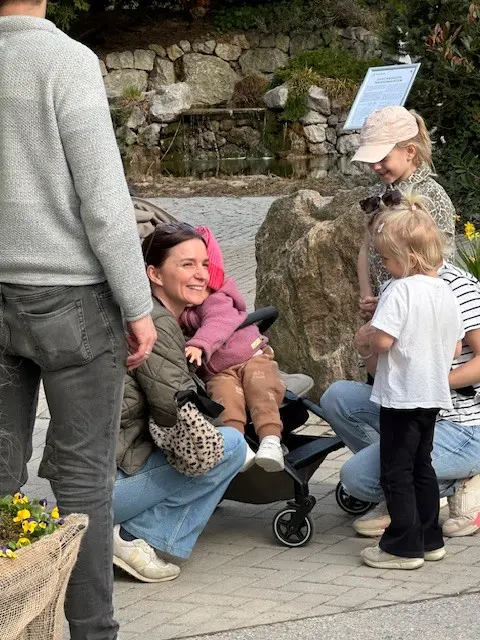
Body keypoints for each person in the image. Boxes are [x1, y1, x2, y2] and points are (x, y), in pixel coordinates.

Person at [0, 2, 157, 639]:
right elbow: (105, 201)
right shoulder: (66, 61)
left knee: (0, 475)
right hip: (74, 300)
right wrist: (139, 305)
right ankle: (92, 632)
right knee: (84, 481)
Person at [113, 224, 247, 582]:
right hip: (104, 492)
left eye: (204, 264)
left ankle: (135, 534)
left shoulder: (146, 316)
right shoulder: (154, 325)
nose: (202, 274)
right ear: (154, 274)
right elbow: (178, 415)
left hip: (91, 476)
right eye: (187, 265)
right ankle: (133, 538)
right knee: (231, 446)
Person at [321, 257, 480, 542]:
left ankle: (453, 482)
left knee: (358, 478)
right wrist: (365, 347)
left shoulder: (455, 286)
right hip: (413, 407)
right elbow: (383, 372)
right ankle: (402, 489)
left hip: (464, 422)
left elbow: (462, 354)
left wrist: (427, 384)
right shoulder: (395, 286)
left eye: (385, 254)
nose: (380, 261)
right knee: (338, 397)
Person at [352, 194, 464, 570]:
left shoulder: (399, 290)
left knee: (395, 471)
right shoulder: (445, 291)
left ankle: (402, 546)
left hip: (401, 396)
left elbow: (384, 341)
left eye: (386, 258)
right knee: (422, 467)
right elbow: (455, 348)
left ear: (407, 258)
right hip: (433, 395)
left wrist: (366, 339)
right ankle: (430, 538)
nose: (384, 265)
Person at [182, 226, 287, 472]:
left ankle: (271, 439)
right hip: (219, 370)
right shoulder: (182, 307)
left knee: (261, 388)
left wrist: (198, 344)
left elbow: (217, 323)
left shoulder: (216, 298)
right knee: (225, 399)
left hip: (251, 356)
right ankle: (238, 445)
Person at [353, 105, 456, 320]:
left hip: (419, 310)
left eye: (383, 158)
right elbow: (366, 247)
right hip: (384, 307)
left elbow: (441, 263)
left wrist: (398, 300)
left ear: (410, 151)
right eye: (371, 160)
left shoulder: (432, 196)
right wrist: (367, 294)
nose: (376, 167)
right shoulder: (378, 193)